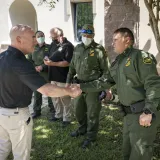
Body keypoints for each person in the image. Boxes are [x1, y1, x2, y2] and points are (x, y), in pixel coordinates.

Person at [0, 24, 81, 160]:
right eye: (32, 37)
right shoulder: (20, 63)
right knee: (21, 155)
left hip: (2, 113)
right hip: (16, 116)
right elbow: (47, 90)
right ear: (19, 40)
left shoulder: (2, 57)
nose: (36, 40)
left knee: (2, 148)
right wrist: (69, 91)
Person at [78, 27, 160, 159]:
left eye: (115, 39)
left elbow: (154, 84)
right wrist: (80, 87)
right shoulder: (118, 62)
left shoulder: (140, 57)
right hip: (128, 116)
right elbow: (104, 82)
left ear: (127, 40)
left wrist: (148, 111)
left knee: (140, 154)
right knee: (126, 152)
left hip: (142, 115)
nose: (112, 43)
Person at [66, 24, 110, 148]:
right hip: (78, 85)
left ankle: (91, 137)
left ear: (93, 35)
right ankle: (82, 129)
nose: (86, 37)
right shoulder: (77, 48)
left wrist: (105, 88)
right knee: (78, 110)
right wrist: (68, 82)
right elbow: (72, 66)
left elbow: (106, 70)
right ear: (81, 35)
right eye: (84, 35)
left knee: (92, 113)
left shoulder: (99, 49)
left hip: (93, 87)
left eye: (89, 35)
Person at [44, 27, 74, 127]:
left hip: (63, 77)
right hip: (53, 76)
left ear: (61, 36)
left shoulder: (68, 46)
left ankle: (66, 118)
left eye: (54, 37)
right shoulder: (53, 44)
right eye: (51, 37)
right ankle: (58, 115)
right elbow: (48, 54)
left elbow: (67, 63)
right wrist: (46, 58)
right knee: (55, 97)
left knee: (64, 98)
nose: (52, 39)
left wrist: (52, 64)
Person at [27, 30, 55, 119]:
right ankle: (37, 111)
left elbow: (51, 59)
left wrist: (42, 67)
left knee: (50, 91)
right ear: (35, 38)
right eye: (38, 36)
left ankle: (53, 111)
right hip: (36, 73)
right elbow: (29, 61)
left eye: (42, 35)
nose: (40, 37)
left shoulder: (49, 47)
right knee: (37, 92)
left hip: (47, 73)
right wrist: (34, 68)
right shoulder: (32, 48)